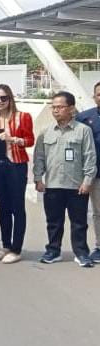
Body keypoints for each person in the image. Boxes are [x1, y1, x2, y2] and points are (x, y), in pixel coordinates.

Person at [34, 91, 96, 268]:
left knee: (79, 223)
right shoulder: (46, 132)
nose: (55, 111)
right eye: (53, 107)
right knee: (54, 222)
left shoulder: (83, 131)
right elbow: (39, 157)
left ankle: (81, 253)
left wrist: (87, 181)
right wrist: (38, 178)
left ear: (71, 108)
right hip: (53, 185)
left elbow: (90, 157)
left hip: (77, 186)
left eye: (60, 107)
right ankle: (53, 251)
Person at [0, 84, 34, 264]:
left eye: (3, 98)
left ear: (10, 99)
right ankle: (6, 245)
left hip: (15, 166)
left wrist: (13, 139)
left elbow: (30, 140)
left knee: (17, 208)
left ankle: (16, 248)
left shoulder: (22, 117)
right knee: (4, 207)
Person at [75, 81, 100, 263]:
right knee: (98, 212)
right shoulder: (84, 118)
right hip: (96, 175)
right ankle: (99, 247)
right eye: (99, 94)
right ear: (94, 97)